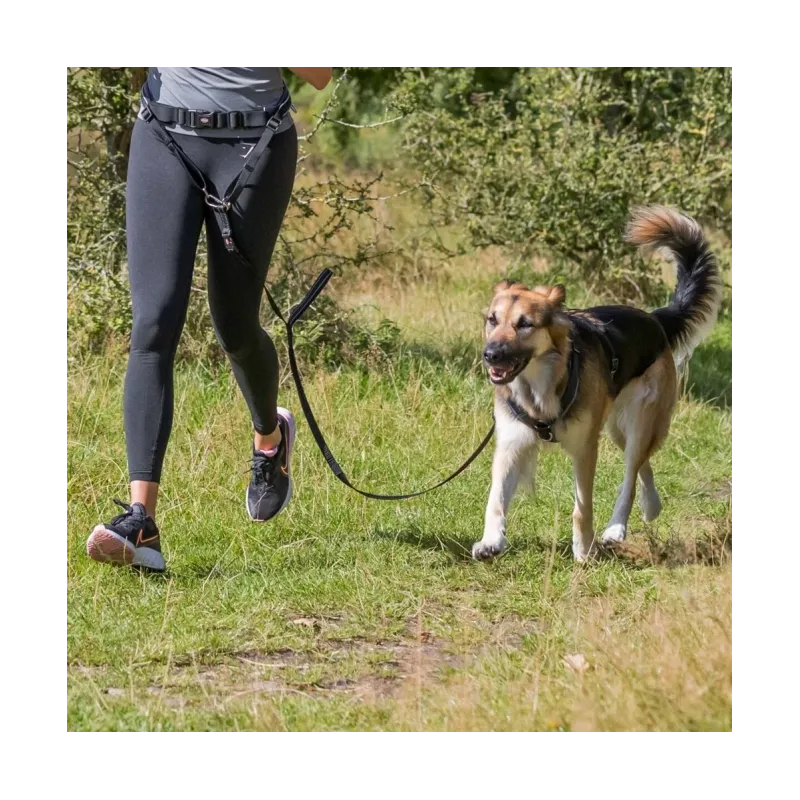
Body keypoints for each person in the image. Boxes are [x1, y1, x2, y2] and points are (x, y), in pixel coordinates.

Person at [85, 65, 332, 572]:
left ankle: (270, 439)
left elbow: (321, 72)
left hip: (256, 143)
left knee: (235, 325)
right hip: (165, 133)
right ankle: (141, 522)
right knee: (153, 324)